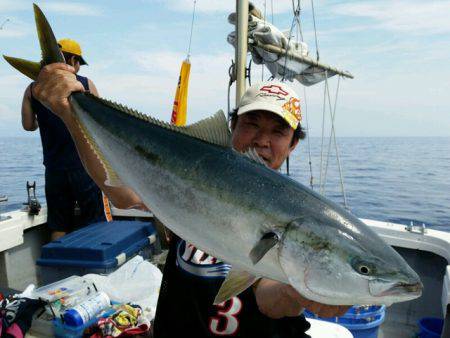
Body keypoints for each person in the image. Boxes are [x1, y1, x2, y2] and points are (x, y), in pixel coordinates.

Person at [32, 64, 350, 337]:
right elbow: (120, 193)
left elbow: (269, 298)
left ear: (293, 144)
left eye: (278, 131)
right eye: (251, 123)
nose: (262, 140)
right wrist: (69, 113)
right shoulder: (190, 174)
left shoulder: (296, 217)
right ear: (232, 126)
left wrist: (301, 292)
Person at [21, 39, 107, 240]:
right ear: (74, 60)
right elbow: (99, 125)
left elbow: (28, 125)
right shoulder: (85, 84)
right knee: (94, 222)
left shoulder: (33, 89)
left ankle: (60, 270)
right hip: (86, 166)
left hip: (54, 169)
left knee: (59, 224)